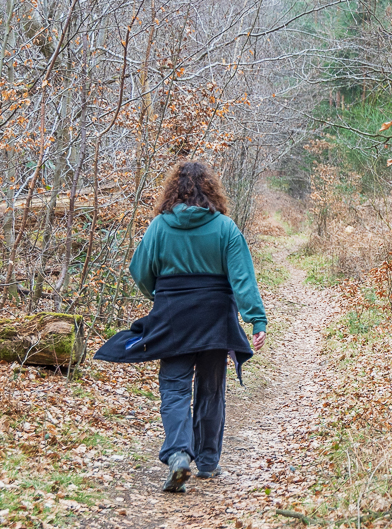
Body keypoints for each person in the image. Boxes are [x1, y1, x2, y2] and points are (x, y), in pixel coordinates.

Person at [94, 161, 267, 493]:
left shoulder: (160, 226)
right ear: (211, 190)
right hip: (215, 318)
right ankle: (209, 461)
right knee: (211, 390)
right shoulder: (225, 228)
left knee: (174, 388)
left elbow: (140, 270)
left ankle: (178, 454)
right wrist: (255, 319)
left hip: (173, 318)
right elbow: (242, 278)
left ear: (173, 190)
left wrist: (159, 295)